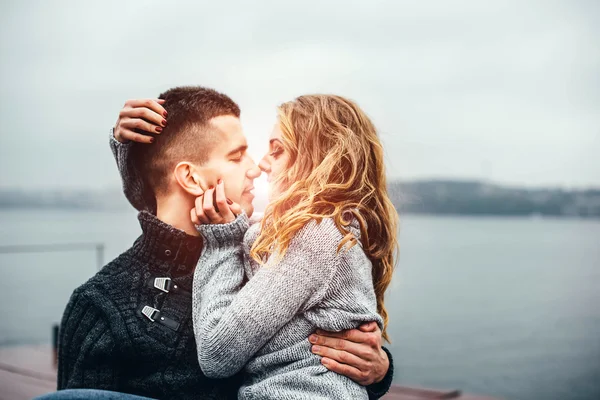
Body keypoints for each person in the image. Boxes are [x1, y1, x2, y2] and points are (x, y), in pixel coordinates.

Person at [50, 87, 393, 400]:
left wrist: (375, 368)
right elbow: (158, 193)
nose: (256, 168)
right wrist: (128, 148)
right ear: (191, 177)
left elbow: (315, 344)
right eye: (237, 155)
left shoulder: (264, 252)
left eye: (271, 151)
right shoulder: (103, 305)